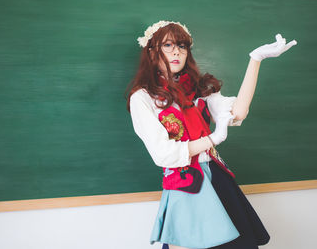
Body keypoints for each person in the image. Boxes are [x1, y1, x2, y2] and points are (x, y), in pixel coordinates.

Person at [126, 20, 297, 249]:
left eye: (182, 46)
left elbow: (238, 112)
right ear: (151, 51)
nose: (176, 51)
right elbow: (163, 154)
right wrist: (212, 139)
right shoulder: (143, 98)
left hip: (218, 179)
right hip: (185, 185)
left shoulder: (198, 89)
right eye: (167, 45)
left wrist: (255, 60)